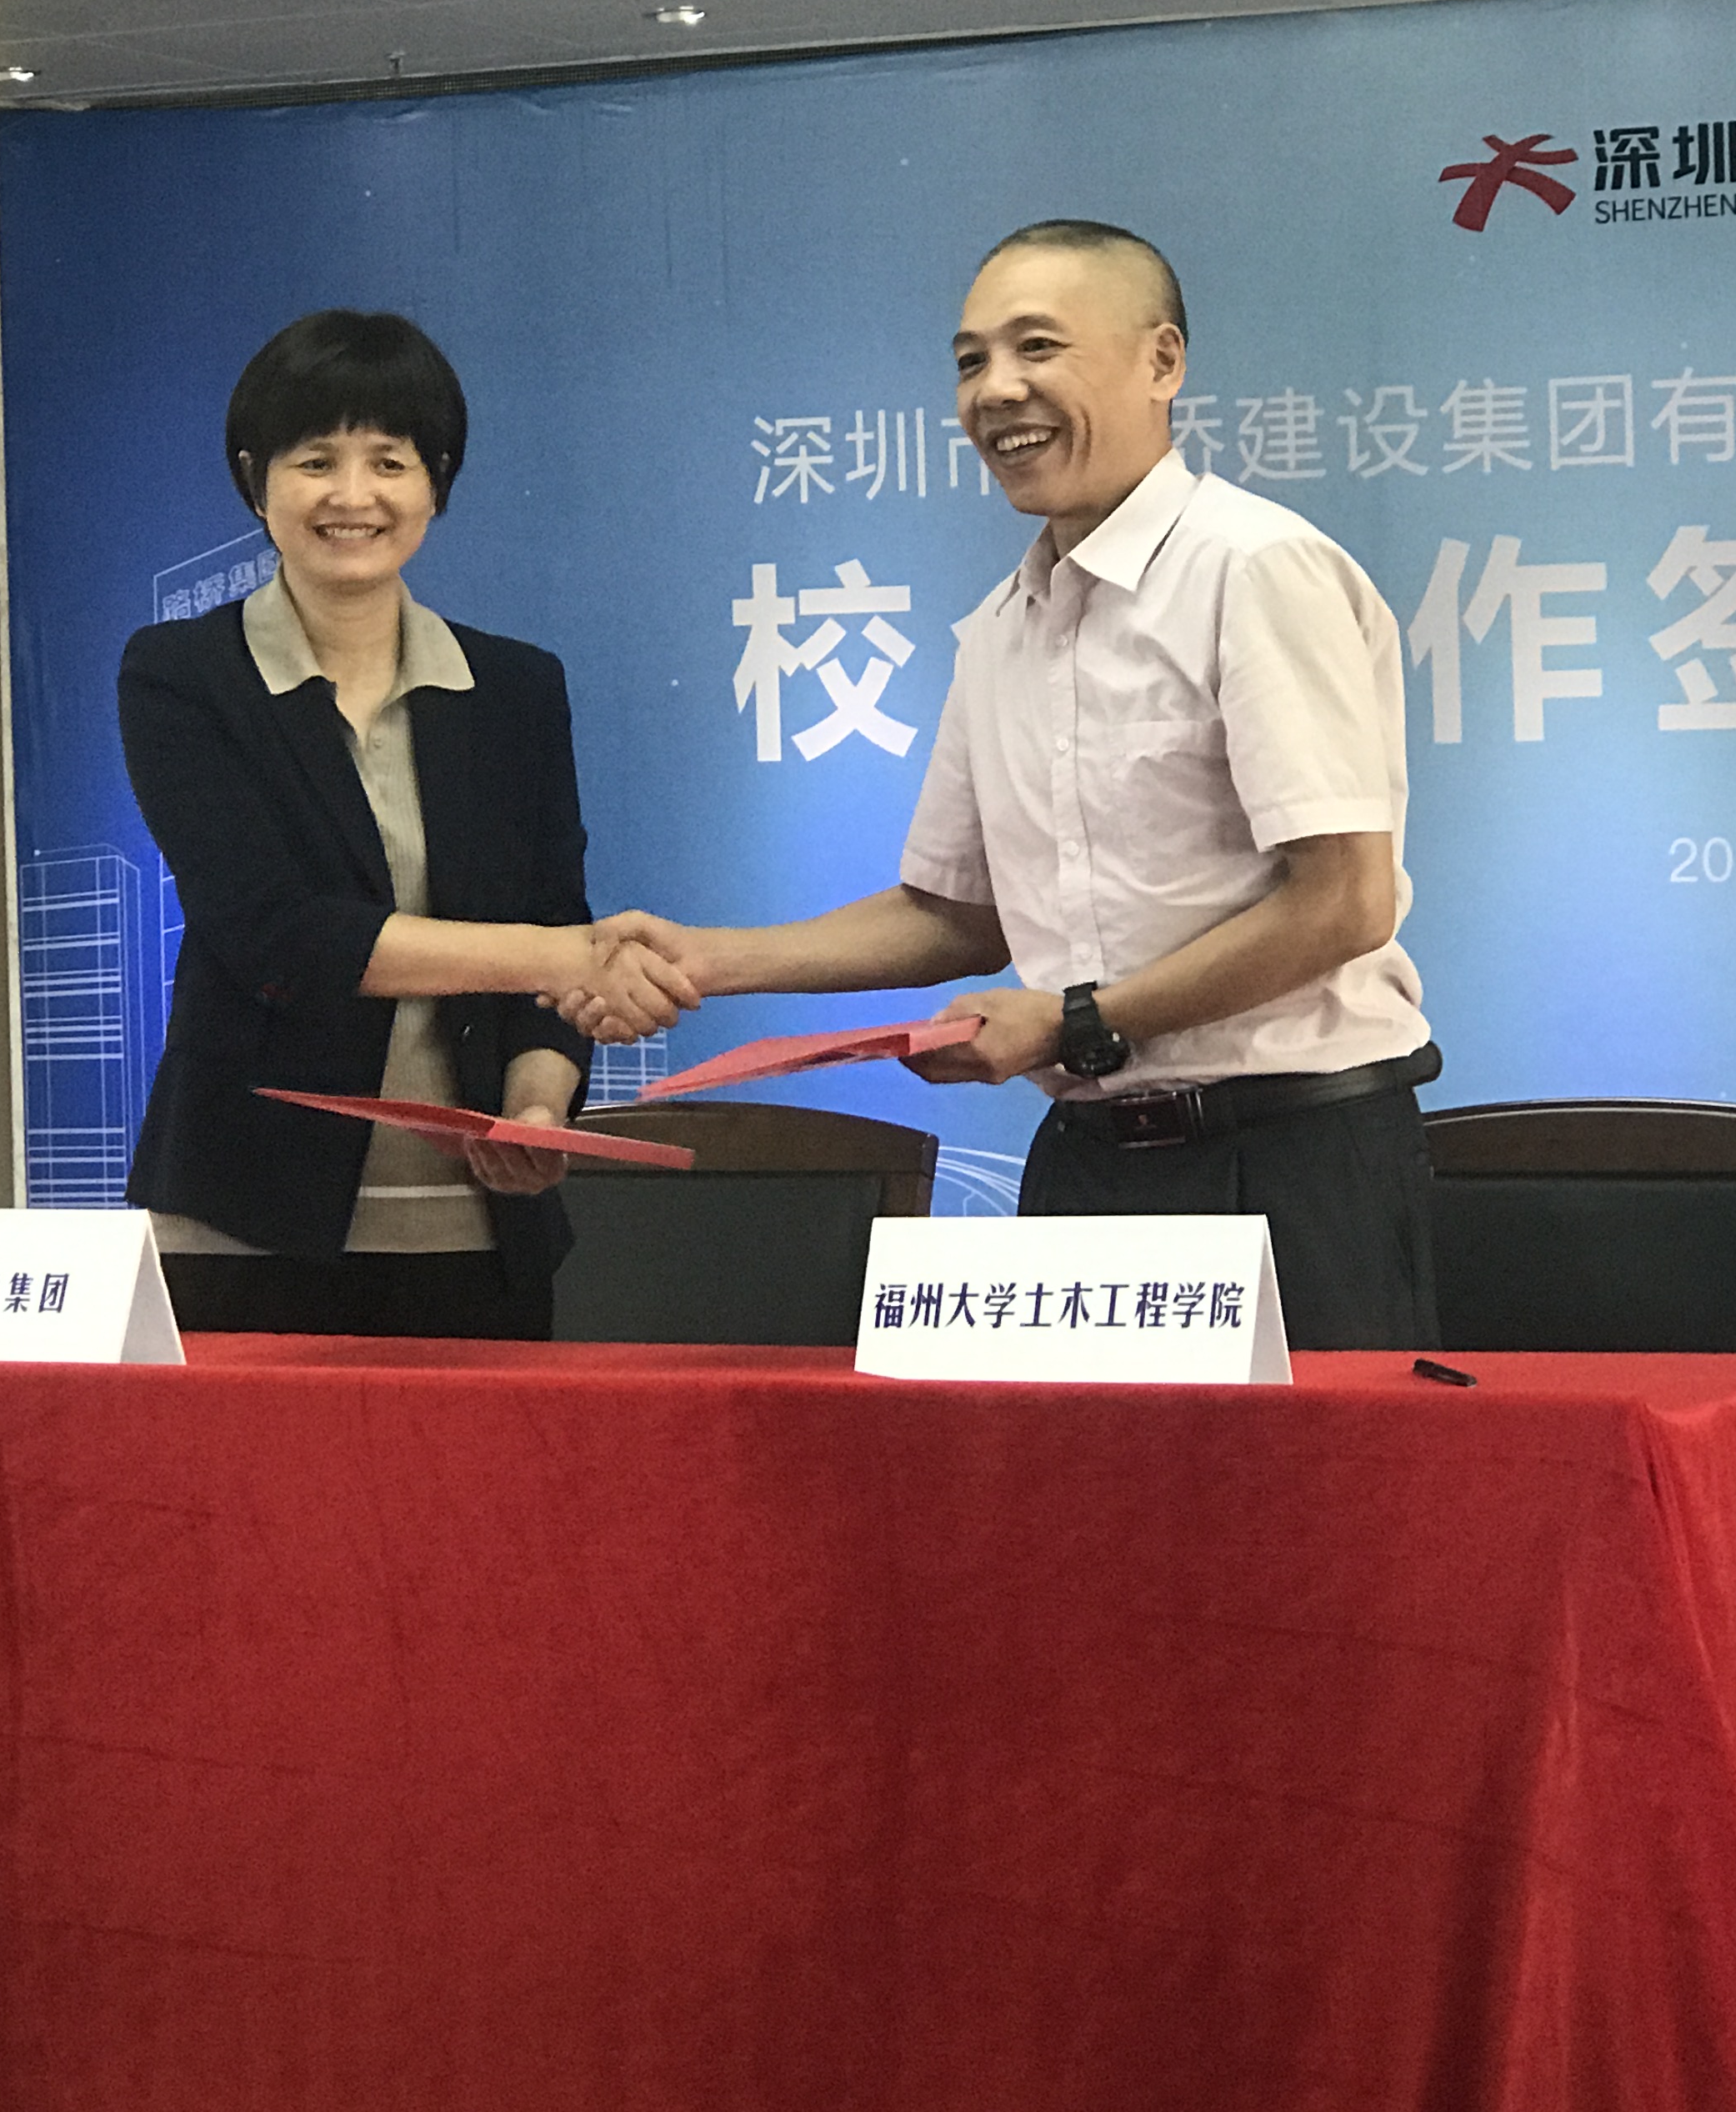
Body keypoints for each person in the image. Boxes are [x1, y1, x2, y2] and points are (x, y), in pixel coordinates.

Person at [579, 221, 1442, 1349]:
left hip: (1287, 1160)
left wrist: (1076, 1022)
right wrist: (710, 961)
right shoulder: (1001, 627)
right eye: (969, 361)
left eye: (1037, 347)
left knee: (1308, 1474)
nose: (996, 391)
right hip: (1088, 1169)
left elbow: (1345, 900)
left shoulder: (1254, 568)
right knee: (1064, 1474)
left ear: (1162, 361)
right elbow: (957, 914)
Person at [120, 309, 688, 1338]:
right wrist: (568, 954)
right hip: (243, 1228)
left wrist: (536, 1107)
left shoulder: (515, 689)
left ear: (437, 482)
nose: (353, 495)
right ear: (255, 480)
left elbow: (553, 922)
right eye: (315, 461)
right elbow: (277, 934)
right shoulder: (182, 677)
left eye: (390, 461)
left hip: (478, 1235)